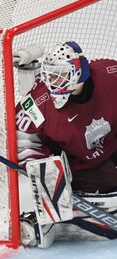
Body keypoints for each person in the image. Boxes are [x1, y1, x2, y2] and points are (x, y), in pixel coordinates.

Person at [14, 41, 117, 247]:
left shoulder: (110, 74)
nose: (52, 81)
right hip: (79, 163)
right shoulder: (39, 101)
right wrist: (47, 176)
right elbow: (23, 139)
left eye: (59, 74)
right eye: (50, 74)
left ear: (79, 73)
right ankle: (59, 217)